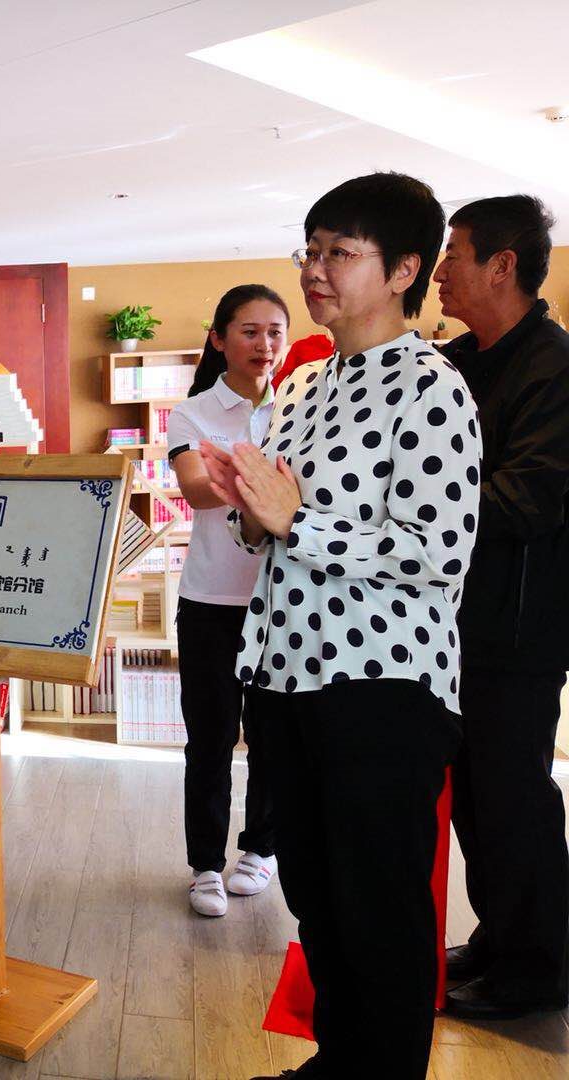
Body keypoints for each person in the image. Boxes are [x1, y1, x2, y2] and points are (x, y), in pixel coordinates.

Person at [202, 173, 481, 1079]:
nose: (315, 270)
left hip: (383, 690)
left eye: (340, 253)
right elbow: (269, 529)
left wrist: (296, 521)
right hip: (286, 675)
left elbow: (439, 550)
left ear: (403, 270)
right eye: (310, 250)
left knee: (380, 912)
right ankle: (341, 1063)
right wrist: (251, 510)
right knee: (319, 900)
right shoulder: (299, 385)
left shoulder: (432, 387)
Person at [432, 195, 569, 1019]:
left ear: (503, 266)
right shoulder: (459, 361)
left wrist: (422, 500)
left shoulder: (554, 367)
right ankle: (500, 939)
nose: (438, 272)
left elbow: (528, 501)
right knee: (477, 802)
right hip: (454, 625)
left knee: (514, 799)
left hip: (518, 631)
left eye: (453, 254)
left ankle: (537, 970)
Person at [166, 285, 287, 917]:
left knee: (273, 736)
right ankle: (205, 864)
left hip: (284, 598)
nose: (264, 345)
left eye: (274, 331)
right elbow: (196, 489)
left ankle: (260, 850)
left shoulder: (300, 407)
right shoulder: (191, 414)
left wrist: (232, 471)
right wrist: (271, 482)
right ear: (218, 339)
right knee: (209, 739)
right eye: (249, 331)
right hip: (210, 598)